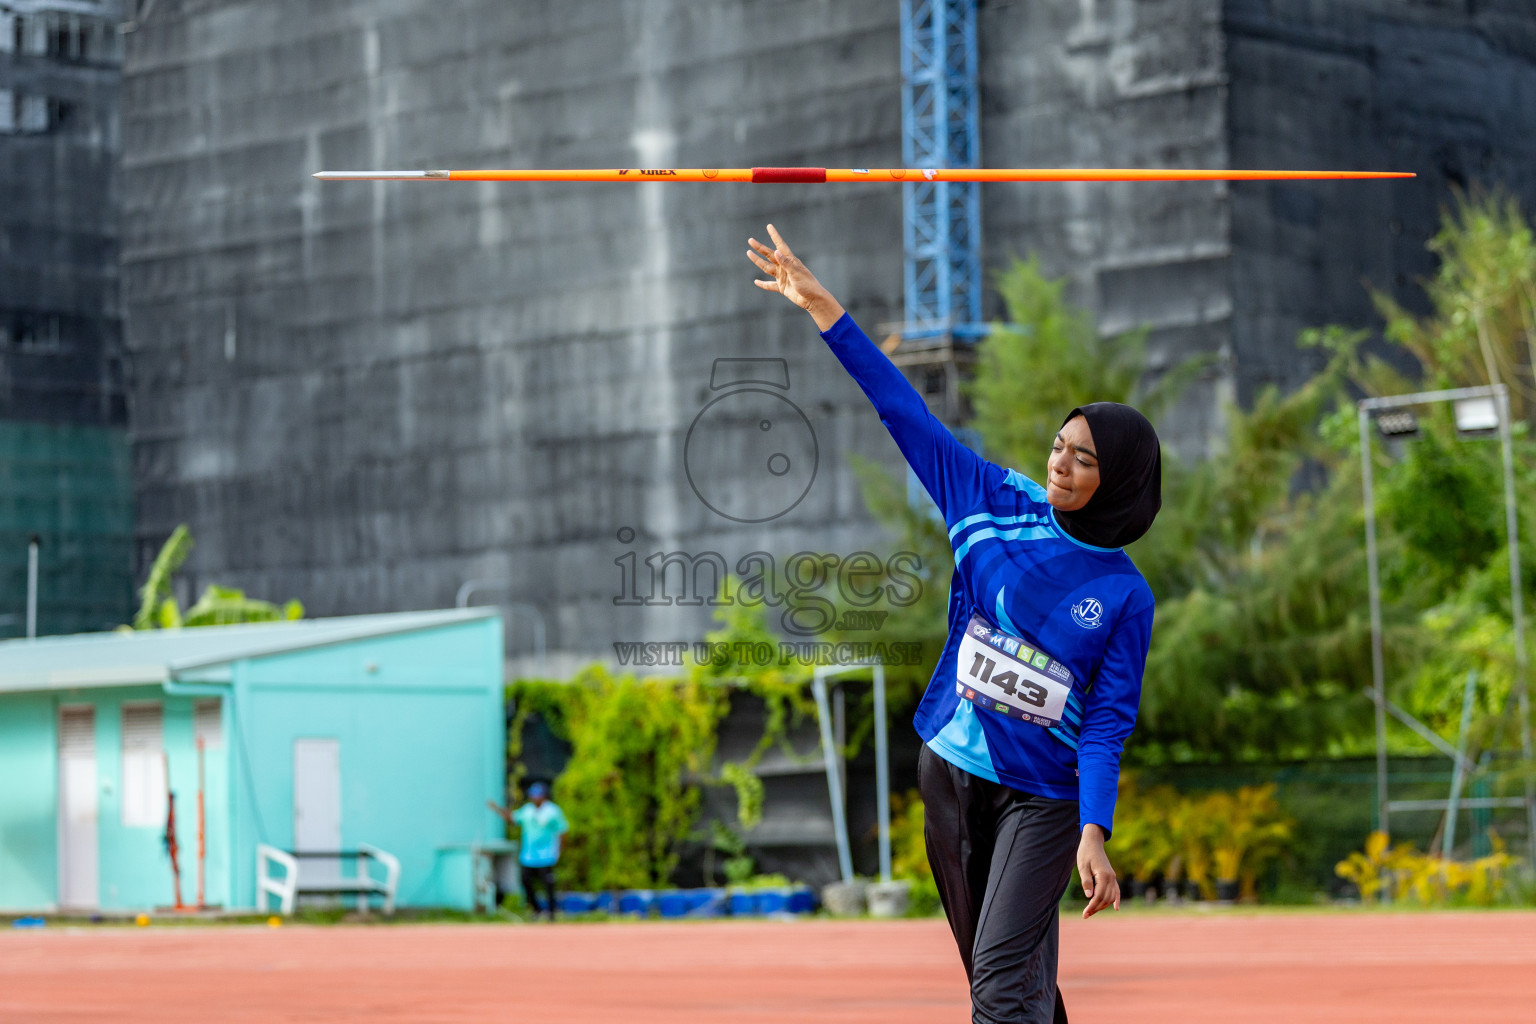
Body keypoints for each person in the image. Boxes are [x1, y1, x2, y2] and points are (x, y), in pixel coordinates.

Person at [748, 225, 1161, 1024]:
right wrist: (825, 306)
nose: (1060, 464)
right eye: (1059, 445)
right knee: (1005, 977)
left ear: (1121, 482)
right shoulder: (989, 499)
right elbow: (899, 407)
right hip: (951, 771)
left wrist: (1094, 829)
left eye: (1083, 459)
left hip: (1042, 797)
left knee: (1001, 987)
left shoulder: (1124, 595)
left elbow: (1108, 724)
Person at [487, 781, 568, 920]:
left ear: (544, 796)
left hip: (546, 855)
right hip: (529, 855)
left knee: (548, 885)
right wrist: (498, 809)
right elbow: (512, 818)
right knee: (526, 881)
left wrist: (559, 851)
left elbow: (562, 830)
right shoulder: (527, 810)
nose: (534, 798)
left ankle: (552, 914)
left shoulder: (552, 811)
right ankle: (536, 910)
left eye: (538, 795)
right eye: (533, 795)